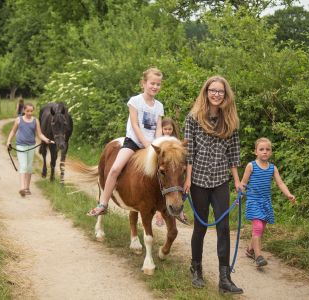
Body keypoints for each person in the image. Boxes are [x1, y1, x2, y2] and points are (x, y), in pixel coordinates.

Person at [183, 76, 244, 294]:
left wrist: (237, 181)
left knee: (223, 227)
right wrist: (187, 178)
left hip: (220, 180)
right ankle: (196, 269)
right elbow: (189, 151)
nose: (216, 94)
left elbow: (233, 153)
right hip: (198, 178)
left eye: (220, 91)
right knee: (200, 226)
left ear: (225, 95)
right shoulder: (193, 118)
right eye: (212, 90)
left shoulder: (230, 120)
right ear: (206, 92)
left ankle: (224, 278)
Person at [87, 67, 165, 216]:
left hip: (152, 147)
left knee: (167, 172)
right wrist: (146, 143)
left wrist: (157, 144)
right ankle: (103, 203)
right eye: (152, 83)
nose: (155, 87)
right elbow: (135, 125)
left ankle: (170, 208)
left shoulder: (159, 106)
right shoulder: (135, 101)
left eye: (158, 84)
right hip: (134, 143)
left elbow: (159, 128)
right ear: (143, 83)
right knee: (115, 169)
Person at [241, 137, 296, 267]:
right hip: (254, 201)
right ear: (256, 152)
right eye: (261, 149)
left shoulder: (272, 168)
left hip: (266, 202)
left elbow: (280, 183)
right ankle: (258, 256)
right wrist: (240, 196)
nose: (264, 152)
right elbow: (243, 183)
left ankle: (250, 249)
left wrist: (288, 194)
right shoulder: (251, 166)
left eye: (267, 149)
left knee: (260, 229)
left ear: (270, 152)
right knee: (258, 227)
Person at [6, 103, 53, 197]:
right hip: (20, 146)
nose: (29, 113)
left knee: (29, 167)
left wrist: (47, 140)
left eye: (31, 111)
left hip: (31, 146)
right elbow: (13, 131)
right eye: (27, 111)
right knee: (23, 165)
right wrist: (8, 141)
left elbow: (39, 134)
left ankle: (27, 188)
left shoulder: (35, 121)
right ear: (24, 110)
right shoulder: (18, 120)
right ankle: (22, 188)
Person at [155, 117, 188, 226]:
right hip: (164, 174)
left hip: (174, 172)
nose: (168, 131)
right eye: (165, 129)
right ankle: (159, 215)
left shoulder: (175, 142)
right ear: (162, 129)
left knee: (181, 188)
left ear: (173, 129)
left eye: (170, 129)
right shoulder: (159, 141)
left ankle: (181, 211)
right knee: (159, 195)